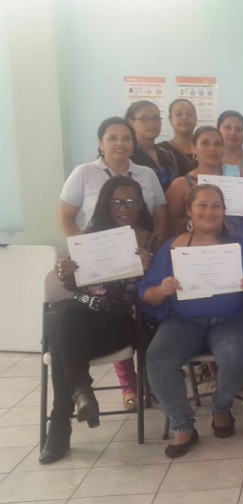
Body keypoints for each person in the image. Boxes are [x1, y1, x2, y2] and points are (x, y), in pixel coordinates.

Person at [140, 184, 243, 458]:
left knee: (237, 356)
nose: (209, 211)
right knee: (158, 359)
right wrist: (162, 290)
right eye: (201, 205)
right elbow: (147, 294)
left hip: (235, 317)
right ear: (189, 210)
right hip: (184, 320)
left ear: (225, 211)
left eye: (216, 205)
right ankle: (183, 425)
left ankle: (221, 406)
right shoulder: (172, 248)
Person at [40, 177, 155, 464]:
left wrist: (148, 272)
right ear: (105, 204)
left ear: (141, 204)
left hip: (119, 324)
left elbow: (157, 291)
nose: (123, 208)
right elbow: (70, 288)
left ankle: (62, 421)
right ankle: (79, 390)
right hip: (80, 318)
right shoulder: (88, 236)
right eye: (116, 201)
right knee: (64, 313)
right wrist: (65, 273)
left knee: (60, 334)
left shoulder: (150, 239)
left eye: (131, 201)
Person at [60, 117, 168, 242]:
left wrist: (151, 247)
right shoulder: (84, 172)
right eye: (112, 138)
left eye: (126, 138)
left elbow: (160, 218)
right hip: (99, 252)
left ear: (134, 144)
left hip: (142, 251)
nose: (120, 143)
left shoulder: (147, 173)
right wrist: (82, 248)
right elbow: (66, 216)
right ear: (101, 143)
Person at [165, 126, 243, 239]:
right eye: (205, 143)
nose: (212, 149)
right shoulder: (180, 185)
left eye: (217, 144)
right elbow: (170, 225)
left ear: (223, 148)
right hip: (203, 247)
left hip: (242, 241)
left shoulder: (239, 176)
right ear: (193, 148)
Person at [127, 100, 180, 192]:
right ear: (132, 123)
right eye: (144, 118)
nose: (152, 123)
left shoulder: (167, 155)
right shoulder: (127, 155)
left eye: (156, 118)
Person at [157, 99, 197, 175]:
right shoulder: (160, 151)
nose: (184, 118)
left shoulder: (206, 149)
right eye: (179, 114)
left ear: (196, 119)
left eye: (189, 114)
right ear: (170, 120)